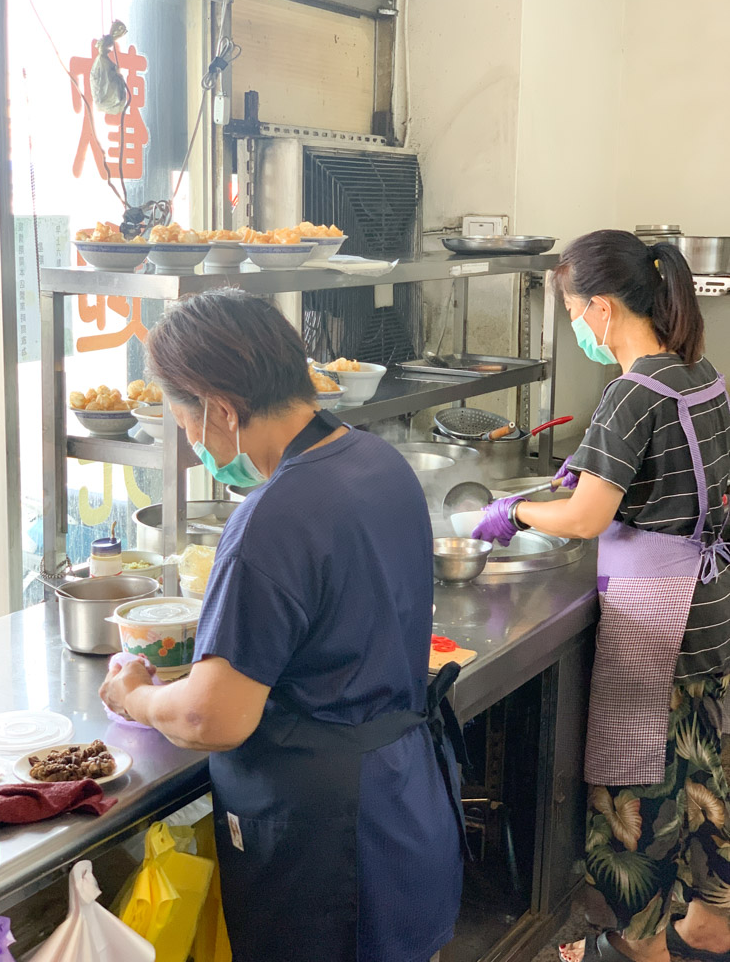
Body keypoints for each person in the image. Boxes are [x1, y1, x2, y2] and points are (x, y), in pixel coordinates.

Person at [100, 290, 465, 962]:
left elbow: (216, 718)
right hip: (402, 807)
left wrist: (136, 695)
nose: (196, 450)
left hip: (326, 846)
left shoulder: (273, 516)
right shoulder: (377, 463)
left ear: (220, 409)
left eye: (188, 431)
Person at [471, 231, 730, 962]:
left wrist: (515, 513)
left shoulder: (629, 393)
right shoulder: (698, 375)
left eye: (573, 309)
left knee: (636, 798)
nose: (575, 325)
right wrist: (574, 478)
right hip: (711, 615)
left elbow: (585, 519)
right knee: (707, 775)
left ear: (604, 308)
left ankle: (641, 948)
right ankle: (712, 927)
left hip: (655, 626)